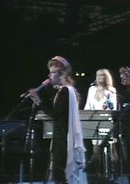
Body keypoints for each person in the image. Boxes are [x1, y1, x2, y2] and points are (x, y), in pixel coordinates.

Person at [29, 56, 87, 184]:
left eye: (52, 72)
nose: (49, 76)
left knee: (60, 173)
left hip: (64, 139)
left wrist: (38, 101)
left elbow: (55, 114)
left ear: (61, 74)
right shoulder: (64, 91)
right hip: (62, 136)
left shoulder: (66, 91)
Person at [84, 68, 118, 177]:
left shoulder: (111, 90)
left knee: (110, 149)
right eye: (98, 75)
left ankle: (113, 173)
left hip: (107, 121)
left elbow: (113, 107)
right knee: (96, 148)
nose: (100, 78)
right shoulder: (91, 89)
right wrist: (84, 117)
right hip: (94, 121)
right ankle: (98, 174)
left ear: (107, 78)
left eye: (102, 75)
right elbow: (87, 106)